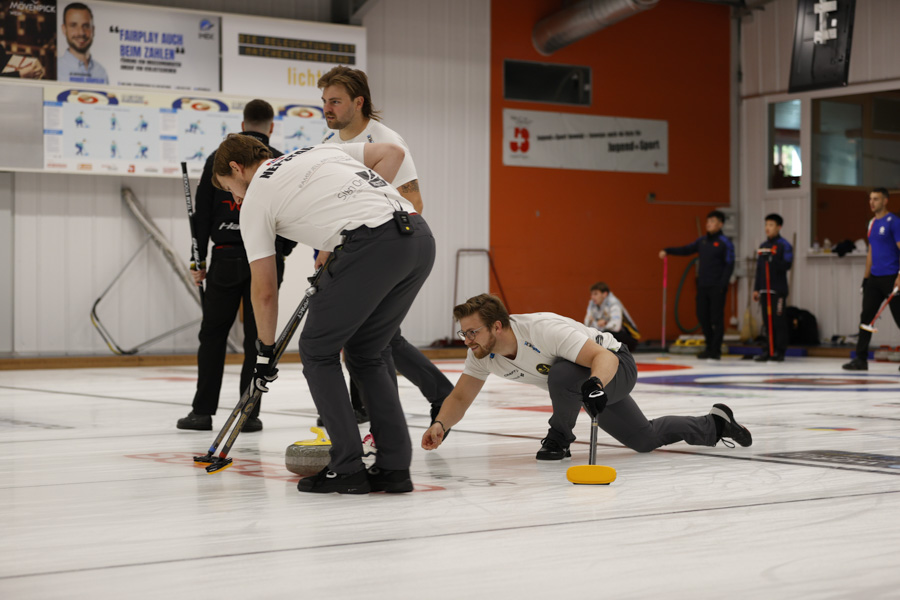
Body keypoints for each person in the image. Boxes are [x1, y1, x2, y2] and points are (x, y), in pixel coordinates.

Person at [211, 134, 435, 495]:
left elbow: (264, 290)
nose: (235, 199)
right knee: (367, 350)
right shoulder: (317, 150)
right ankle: (394, 468)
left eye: (229, 189)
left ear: (236, 168)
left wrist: (264, 352)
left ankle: (347, 468)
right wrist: (353, 218)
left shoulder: (256, 198)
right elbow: (392, 153)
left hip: (373, 245)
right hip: (418, 237)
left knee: (317, 349)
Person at [422, 294, 751, 461]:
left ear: (497, 326)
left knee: (562, 374)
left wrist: (595, 385)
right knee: (644, 440)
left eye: (472, 332)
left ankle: (559, 438)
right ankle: (714, 424)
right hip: (585, 383)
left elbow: (603, 357)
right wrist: (441, 425)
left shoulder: (542, 330)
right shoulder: (482, 354)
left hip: (616, 366)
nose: (467, 340)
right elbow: (460, 397)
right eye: (463, 333)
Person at [316, 65, 452, 426]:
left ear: (358, 102)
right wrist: (327, 247)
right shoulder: (328, 146)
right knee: (379, 335)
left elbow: (415, 201)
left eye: (335, 101)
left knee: (370, 336)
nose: (326, 108)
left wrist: (379, 248)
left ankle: (377, 412)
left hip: (384, 249)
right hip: (351, 252)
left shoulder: (386, 140)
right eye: (324, 101)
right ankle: (429, 397)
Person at [176, 100, 296, 433]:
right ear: (271, 127)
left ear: (242, 125)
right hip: (267, 260)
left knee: (212, 335)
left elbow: (201, 213)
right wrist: (282, 251)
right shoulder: (278, 161)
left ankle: (201, 413)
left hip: (225, 256)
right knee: (258, 338)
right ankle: (249, 414)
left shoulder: (217, 159)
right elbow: (291, 214)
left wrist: (198, 259)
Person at [659, 210, 735, 360]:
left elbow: (729, 264)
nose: (709, 224)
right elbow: (686, 249)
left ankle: (716, 350)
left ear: (720, 224)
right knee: (702, 316)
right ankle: (709, 346)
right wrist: (668, 250)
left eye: (713, 221)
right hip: (703, 286)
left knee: (716, 318)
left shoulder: (725, 243)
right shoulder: (702, 241)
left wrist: (723, 284)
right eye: (708, 221)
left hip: (717, 286)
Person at [844, 188, 900, 371]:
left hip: (892, 277)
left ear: (885, 201)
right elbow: (871, 252)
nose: (872, 202)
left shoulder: (894, 222)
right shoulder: (871, 223)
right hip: (874, 279)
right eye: (870, 199)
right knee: (866, 318)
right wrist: (865, 278)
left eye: (876, 199)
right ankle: (861, 359)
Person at [752, 214, 793, 362]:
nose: (767, 228)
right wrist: (756, 288)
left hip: (778, 290)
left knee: (778, 321)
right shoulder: (763, 245)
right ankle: (768, 349)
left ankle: (779, 351)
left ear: (778, 227)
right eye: (766, 225)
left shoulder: (784, 245)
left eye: (771, 225)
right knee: (766, 321)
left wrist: (772, 259)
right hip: (765, 289)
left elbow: (787, 265)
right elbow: (759, 269)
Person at [58, 3, 108, 84]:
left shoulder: (101, 72)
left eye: (86, 26)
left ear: (93, 30)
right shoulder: (56, 68)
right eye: (73, 25)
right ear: (64, 29)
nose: (81, 32)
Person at [583, 281, 640, 352]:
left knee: (606, 335)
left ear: (604, 294)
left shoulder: (614, 303)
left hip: (629, 337)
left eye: (595, 294)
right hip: (608, 333)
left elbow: (615, 327)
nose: (592, 297)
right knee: (590, 335)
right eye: (591, 294)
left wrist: (604, 323)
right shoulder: (592, 303)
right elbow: (587, 323)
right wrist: (599, 324)